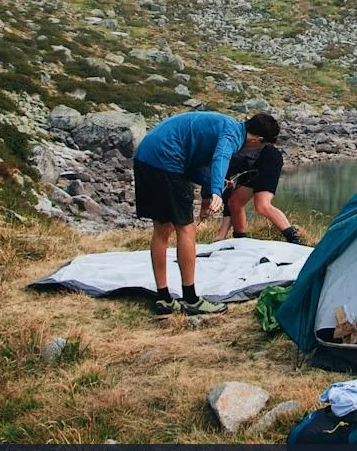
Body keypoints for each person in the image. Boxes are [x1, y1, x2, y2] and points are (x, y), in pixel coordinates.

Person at [130, 110, 281, 316]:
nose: (255, 150)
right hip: (166, 159)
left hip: (145, 157)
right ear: (258, 139)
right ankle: (191, 300)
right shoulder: (232, 134)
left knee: (162, 228)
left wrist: (209, 182)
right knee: (186, 229)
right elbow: (221, 157)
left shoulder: (225, 125)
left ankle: (164, 298)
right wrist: (217, 190)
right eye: (260, 146)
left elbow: (189, 165)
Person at [214, 116, 304, 245]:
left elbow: (222, 186)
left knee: (262, 205)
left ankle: (295, 239)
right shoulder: (220, 162)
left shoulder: (221, 157)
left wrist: (221, 234)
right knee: (234, 202)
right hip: (250, 165)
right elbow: (227, 196)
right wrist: (221, 235)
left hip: (268, 158)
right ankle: (240, 240)